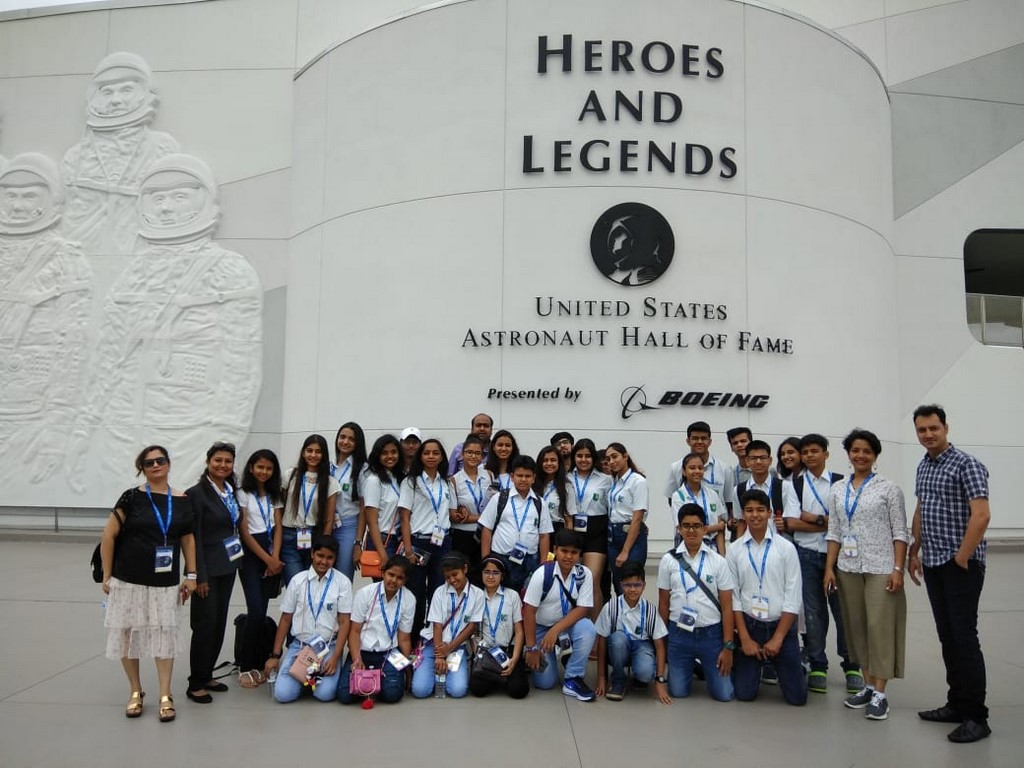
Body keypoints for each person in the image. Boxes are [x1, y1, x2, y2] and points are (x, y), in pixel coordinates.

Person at [68, 153, 262, 491]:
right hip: (123, 429)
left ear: (204, 200)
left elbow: (240, 368)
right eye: (157, 199)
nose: (166, 208)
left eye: (179, 196)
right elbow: (108, 356)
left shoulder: (229, 270)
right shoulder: (133, 273)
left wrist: (224, 439)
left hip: (189, 428)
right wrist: (85, 431)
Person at [0, 153, 92, 487]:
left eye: (29, 196)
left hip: (32, 409)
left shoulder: (65, 257)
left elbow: (73, 350)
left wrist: (57, 427)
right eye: (10, 195)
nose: (18, 205)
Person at [908, 405, 992, 743]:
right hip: (933, 562)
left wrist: (962, 558)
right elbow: (921, 508)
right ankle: (956, 703)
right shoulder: (924, 465)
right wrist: (915, 548)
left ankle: (976, 716)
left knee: (964, 637)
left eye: (933, 428)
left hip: (960, 566)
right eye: (921, 430)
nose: (928, 434)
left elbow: (981, 515)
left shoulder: (967, 464)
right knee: (948, 637)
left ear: (945, 427)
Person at [101, 445, 196, 723]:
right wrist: (107, 576)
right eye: (149, 462)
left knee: (164, 638)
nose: (156, 465)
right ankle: (135, 690)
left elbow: (187, 538)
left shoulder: (182, 499)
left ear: (168, 463)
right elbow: (108, 536)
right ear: (142, 468)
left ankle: (165, 695)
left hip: (165, 583)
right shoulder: (131, 498)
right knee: (128, 636)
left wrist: (191, 575)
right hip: (128, 579)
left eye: (160, 460)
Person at [823, 429, 909, 721]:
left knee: (879, 628)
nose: (861, 456)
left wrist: (898, 569)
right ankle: (868, 686)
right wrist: (829, 568)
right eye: (855, 450)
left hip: (881, 567)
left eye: (867, 451)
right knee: (856, 628)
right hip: (847, 568)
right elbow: (833, 531)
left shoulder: (888, 489)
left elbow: (900, 532)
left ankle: (881, 693)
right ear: (848, 454)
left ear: (875, 455)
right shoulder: (837, 488)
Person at [62, 51, 179, 255]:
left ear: (145, 94)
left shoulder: (161, 147)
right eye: (107, 92)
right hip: (82, 255)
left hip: (139, 253)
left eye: (126, 90)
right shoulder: (76, 155)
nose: (116, 100)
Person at [781, 434, 861, 695]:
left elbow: (847, 520)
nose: (809, 456)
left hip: (838, 556)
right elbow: (791, 522)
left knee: (844, 611)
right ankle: (818, 664)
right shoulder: (797, 484)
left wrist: (812, 518)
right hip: (805, 553)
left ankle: (852, 665)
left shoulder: (842, 482)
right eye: (805, 452)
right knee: (814, 613)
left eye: (815, 451)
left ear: (826, 453)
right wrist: (825, 521)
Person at [728, 490, 807, 706]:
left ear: (770, 513)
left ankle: (791, 664)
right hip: (750, 626)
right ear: (743, 514)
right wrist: (744, 638)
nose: (755, 516)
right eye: (750, 511)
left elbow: (793, 597)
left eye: (760, 510)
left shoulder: (786, 549)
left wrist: (778, 638)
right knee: (744, 694)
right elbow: (734, 597)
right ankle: (750, 664)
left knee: (798, 698)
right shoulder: (734, 550)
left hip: (780, 626)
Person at [658, 503, 735, 702]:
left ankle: (703, 664)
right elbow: (664, 604)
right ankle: (690, 665)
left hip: (711, 634)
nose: (691, 530)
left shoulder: (718, 561)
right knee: (678, 692)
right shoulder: (668, 560)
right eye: (686, 526)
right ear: (679, 529)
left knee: (724, 695)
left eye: (696, 526)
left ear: (704, 528)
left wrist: (728, 647)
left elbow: (727, 608)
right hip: (679, 634)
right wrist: (663, 641)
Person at [186, 442, 244, 704]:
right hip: (206, 570)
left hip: (227, 566)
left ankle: (207, 673)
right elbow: (193, 538)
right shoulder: (196, 494)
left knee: (219, 622)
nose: (223, 465)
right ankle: (195, 682)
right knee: (204, 625)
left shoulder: (230, 491)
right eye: (218, 460)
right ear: (208, 462)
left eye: (228, 461)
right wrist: (198, 575)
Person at [264, 537, 352, 703]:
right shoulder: (298, 581)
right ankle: (304, 675)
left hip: (328, 646)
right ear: (312, 554)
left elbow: (344, 622)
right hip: (300, 645)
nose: (323, 561)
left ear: (335, 559)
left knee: (324, 694)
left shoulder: (342, 583)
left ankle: (310, 677)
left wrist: (334, 658)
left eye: (329, 558)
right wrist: (275, 655)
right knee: (283, 695)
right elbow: (285, 619)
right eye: (320, 555)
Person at [523, 529, 597, 701]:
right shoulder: (542, 574)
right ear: (555, 550)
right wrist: (532, 648)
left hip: (564, 627)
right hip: (541, 628)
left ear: (579, 555)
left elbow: (583, 609)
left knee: (588, 629)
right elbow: (529, 612)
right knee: (545, 683)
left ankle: (573, 678)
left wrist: (555, 630)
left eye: (574, 552)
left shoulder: (584, 574)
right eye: (564, 551)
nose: (568, 556)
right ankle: (556, 656)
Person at [235, 449, 285, 688]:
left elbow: (277, 527)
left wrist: (275, 557)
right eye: (260, 467)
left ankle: (257, 661)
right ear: (251, 468)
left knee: (263, 610)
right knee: (255, 610)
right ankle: (245, 666)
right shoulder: (243, 493)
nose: (264, 472)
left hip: (271, 552)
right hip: (252, 555)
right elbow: (244, 531)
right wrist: (267, 558)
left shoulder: (275, 494)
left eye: (269, 468)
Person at [398, 438, 456, 640]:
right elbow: (404, 518)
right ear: (420, 456)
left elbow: (452, 513)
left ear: (441, 457)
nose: (431, 457)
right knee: (415, 593)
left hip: (442, 542)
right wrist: (407, 549)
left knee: (438, 592)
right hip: (418, 542)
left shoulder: (447, 482)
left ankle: (433, 638)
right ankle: (412, 639)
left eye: (435, 453)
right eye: (427, 453)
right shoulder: (410, 482)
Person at [338, 555, 416, 705]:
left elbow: (404, 638)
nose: (393, 580)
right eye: (391, 574)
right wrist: (356, 659)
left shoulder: (409, 599)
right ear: (383, 573)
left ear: (405, 581)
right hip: (362, 652)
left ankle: (375, 683)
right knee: (345, 696)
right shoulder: (365, 593)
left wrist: (408, 668)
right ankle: (372, 682)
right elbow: (354, 631)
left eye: (399, 578)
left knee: (393, 695)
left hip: (389, 654)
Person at [411, 552, 485, 698]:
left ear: (465, 569)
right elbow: (437, 625)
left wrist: (449, 648)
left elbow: (472, 627)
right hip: (434, 644)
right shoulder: (440, 592)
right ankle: (432, 669)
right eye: (447, 577)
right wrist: (439, 656)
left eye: (455, 574)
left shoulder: (477, 594)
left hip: (457, 646)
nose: (452, 580)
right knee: (420, 691)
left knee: (458, 691)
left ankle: (442, 674)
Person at [595, 561, 670, 702]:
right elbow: (602, 641)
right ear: (621, 584)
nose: (633, 589)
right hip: (618, 649)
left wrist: (659, 681)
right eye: (628, 585)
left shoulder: (650, 610)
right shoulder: (611, 607)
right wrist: (601, 677)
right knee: (617, 639)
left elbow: (659, 645)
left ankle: (639, 676)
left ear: (644, 585)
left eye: (637, 585)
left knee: (646, 673)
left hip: (642, 645)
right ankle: (618, 680)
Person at [479, 455, 552, 591]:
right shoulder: (499, 498)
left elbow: (544, 535)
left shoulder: (540, 503)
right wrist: (486, 560)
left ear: (534, 478)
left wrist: (543, 565)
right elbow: (487, 529)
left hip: (530, 560)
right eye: (519, 475)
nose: (523, 479)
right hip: (501, 558)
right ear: (512, 477)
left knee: (525, 599)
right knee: (500, 596)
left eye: (527, 476)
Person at [279, 435, 340, 585]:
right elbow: (279, 508)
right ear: (303, 452)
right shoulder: (290, 475)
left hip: (315, 538)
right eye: (309, 450)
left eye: (318, 451)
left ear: (324, 455)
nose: (313, 455)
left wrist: (324, 545)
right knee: (296, 584)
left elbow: (329, 519)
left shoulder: (330, 482)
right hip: (290, 536)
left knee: (312, 585)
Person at [470, 556, 529, 699]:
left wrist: (515, 659)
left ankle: (499, 676)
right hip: (486, 652)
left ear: (502, 576)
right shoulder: (476, 596)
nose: (491, 576)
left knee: (519, 691)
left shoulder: (512, 596)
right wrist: (479, 655)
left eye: (495, 573)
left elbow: (519, 631)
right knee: (477, 690)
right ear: (481, 574)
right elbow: (473, 632)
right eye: (487, 572)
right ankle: (497, 677)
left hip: (508, 652)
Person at [565, 438, 611, 618]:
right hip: (572, 530)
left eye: (588, 456)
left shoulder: (605, 479)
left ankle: (596, 631)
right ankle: (575, 625)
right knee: (573, 582)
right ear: (574, 457)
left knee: (592, 581)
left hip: (596, 531)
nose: (583, 460)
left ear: (593, 458)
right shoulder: (566, 478)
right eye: (579, 456)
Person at [605, 442, 649, 595]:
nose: (611, 461)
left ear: (625, 456)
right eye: (608, 459)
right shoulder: (614, 482)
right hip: (613, 536)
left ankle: (634, 618)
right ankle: (620, 618)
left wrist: (625, 551)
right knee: (618, 585)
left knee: (632, 583)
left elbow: (637, 518)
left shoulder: (638, 481)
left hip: (631, 536)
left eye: (615, 456)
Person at [450, 434, 493, 578]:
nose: (473, 456)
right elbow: (454, 516)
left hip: (486, 534)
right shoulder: (454, 481)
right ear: (462, 454)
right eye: (469, 452)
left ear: (482, 456)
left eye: (477, 453)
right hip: (463, 536)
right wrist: (482, 517)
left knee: (483, 574)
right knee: (462, 575)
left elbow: (495, 507)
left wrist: (473, 517)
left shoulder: (489, 475)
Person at [362, 434, 405, 573]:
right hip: (382, 541)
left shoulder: (398, 478)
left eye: (394, 452)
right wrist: (383, 554)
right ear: (377, 456)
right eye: (384, 453)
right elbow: (372, 522)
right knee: (384, 588)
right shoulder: (374, 481)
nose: (390, 456)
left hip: (398, 540)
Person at [670, 453, 726, 554]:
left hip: (712, 550)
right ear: (683, 471)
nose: (697, 471)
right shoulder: (678, 496)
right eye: (692, 468)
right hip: (690, 549)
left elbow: (720, 531)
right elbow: (682, 528)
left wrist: (722, 555)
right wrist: (717, 526)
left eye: (700, 468)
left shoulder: (712, 494)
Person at [331, 421, 367, 580]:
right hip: (326, 526)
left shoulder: (362, 469)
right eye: (342, 437)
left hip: (348, 527)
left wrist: (358, 543)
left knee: (343, 577)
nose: (345, 442)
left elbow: (364, 508)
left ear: (357, 443)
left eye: (351, 439)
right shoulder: (328, 466)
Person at [662, 420, 727, 500]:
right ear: (688, 441)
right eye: (695, 438)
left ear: (710, 442)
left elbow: (729, 503)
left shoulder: (724, 469)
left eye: (703, 438)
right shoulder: (676, 467)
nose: (699, 442)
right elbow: (671, 498)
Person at [733, 440, 784, 541]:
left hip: (778, 545)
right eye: (754, 458)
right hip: (750, 544)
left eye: (763, 458)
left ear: (770, 460)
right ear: (747, 461)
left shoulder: (784, 487)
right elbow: (741, 522)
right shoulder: (739, 490)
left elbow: (790, 519)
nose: (758, 462)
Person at [536, 445, 569, 542]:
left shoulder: (566, 486)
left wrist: (566, 542)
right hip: (535, 529)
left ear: (559, 463)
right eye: (545, 460)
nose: (549, 463)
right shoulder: (533, 484)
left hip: (556, 531)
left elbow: (569, 519)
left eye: (553, 460)